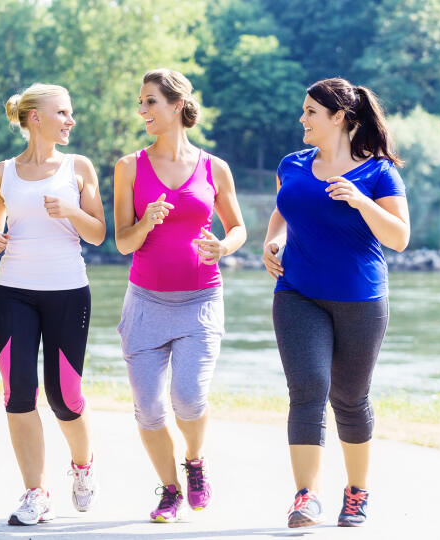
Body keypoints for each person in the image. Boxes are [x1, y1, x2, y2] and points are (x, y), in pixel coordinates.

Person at [262, 78, 410, 528]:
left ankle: (356, 492)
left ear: (340, 118)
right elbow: (285, 209)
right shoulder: (292, 164)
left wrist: (362, 201)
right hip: (297, 293)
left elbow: (399, 238)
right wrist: (274, 240)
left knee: (349, 398)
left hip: (360, 300)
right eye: (303, 111)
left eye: (310, 112)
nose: (301, 119)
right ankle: (305, 497)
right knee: (307, 392)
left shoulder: (378, 172)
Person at [113, 68, 247, 522]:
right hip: (145, 303)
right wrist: (146, 222)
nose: (143, 110)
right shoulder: (129, 166)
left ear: (176, 106)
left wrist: (224, 246)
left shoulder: (215, 167)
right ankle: (169, 490)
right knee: (149, 409)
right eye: (141, 102)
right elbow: (123, 242)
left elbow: (238, 227)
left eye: (151, 101)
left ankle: (194, 461)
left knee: (189, 398)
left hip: (200, 301)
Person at [0, 83, 106, 526]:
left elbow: (97, 233)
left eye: (70, 114)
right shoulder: (2, 172)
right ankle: (35, 492)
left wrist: (70, 212)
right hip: (13, 290)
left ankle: (83, 464)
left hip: (68, 291)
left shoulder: (78, 167)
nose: (70, 121)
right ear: (36, 118)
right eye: (63, 113)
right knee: (18, 394)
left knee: (64, 396)